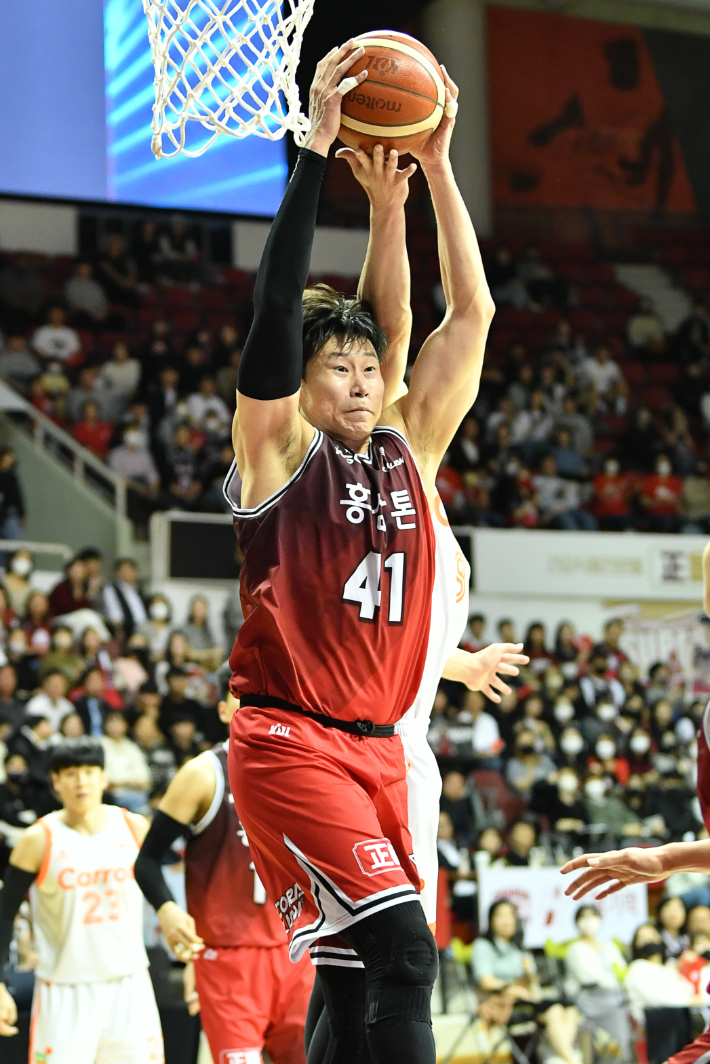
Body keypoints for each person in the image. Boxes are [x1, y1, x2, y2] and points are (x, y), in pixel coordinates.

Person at [224, 43, 495, 1064]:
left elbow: (422, 319)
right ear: (300, 383)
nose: (358, 376)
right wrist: (317, 157)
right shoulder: (279, 452)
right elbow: (272, 317)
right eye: (333, 365)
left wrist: (421, 179)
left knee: (349, 974)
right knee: (405, 957)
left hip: (382, 741)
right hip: (293, 739)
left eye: (366, 365)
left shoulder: (404, 447)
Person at [135, 687, 314, 1063]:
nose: (257, 709)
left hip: (298, 951)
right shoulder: (203, 774)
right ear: (221, 710)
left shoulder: (305, 768)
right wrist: (168, 910)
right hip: (228, 958)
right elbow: (147, 859)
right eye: (243, 698)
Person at [0, 737, 164, 1059]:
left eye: (89, 771)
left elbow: (163, 895)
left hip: (129, 983)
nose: (81, 781)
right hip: (64, 989)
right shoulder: (38, 839)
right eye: (71, 773)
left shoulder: (133, 827)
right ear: (56, 781)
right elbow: (4, 913)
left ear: (103, 777)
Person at [472, 900, 580, 1064]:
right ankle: (570, 1059)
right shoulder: (483, 945)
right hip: (504, 1001)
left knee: (570, 1007)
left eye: (510, 915)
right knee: (554, 1010)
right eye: (501, 915)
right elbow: (485, 981)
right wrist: (512, 989)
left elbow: (533, 982)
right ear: (491, 920)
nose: (507, 920)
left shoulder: (518, 948)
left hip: (526, 997)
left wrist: (529, 971)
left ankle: (560, 1056)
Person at [563, 905, 631, 1059]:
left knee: (628, 1008)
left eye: (592, 916)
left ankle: (624, 1056)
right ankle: (620, 1056)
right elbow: (588, 977)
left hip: (613, 996)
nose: (589, 921)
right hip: (588, 999)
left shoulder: (609, 946)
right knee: (619, 1011)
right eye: (583, 917)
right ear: (577, 922)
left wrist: (617, 982)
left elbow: (621, 970)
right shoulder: (575, 948)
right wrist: (613, 981)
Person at [101, 710, 151, 813]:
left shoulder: (132, 747)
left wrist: (122, 783)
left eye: (119, 722)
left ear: (126, 725)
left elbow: (144, 778)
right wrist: (128, 782)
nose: (115, 726)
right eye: (112, 722)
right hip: (111, 796)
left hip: (136, 793)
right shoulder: (100, 745)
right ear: (105, 725)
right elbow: (108, 780)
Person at [102, 558, 147, 640]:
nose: (128, 572)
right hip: (128, 629)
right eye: (125, 570)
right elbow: (115, 616)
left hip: (144, 627)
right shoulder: (111, 590)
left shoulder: (139, 590)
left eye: (131, 569)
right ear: (118, 573)